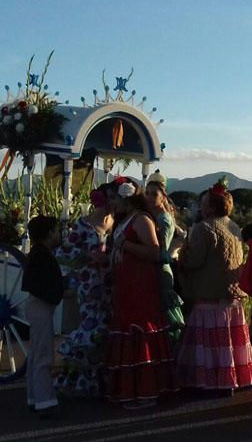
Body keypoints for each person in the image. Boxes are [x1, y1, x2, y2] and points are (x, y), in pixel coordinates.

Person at [177, 179, 252, 394]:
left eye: (203, 203)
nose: (200, 207)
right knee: (228, 344)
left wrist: (182, 254)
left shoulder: (203, 228)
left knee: (209, 344)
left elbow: (194, 260)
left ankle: (210, 381)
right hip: (232, 295)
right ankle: (229, 380)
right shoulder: (233, 225)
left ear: (211, 206)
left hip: (209, 293)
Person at [105, 180, 176, 409]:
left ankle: (145, 390)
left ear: (126, 200)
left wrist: (126, 245)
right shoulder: (126, 220)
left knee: (139, 329)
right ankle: (130, 390)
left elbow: (155, 252)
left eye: (115, 199)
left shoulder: (142, 220)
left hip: (140, 286)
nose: (112, 204)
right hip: (127, 286)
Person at [54, 185, 113, 397]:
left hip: (108, 284)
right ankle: (75, 375)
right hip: (89, 284)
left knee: (105, 330)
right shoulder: (83, 224)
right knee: (92, 327)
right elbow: (64, 252)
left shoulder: (115, 223)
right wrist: (89, 256)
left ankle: (95, 381)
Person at [22, 215, 64, 417]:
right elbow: (41, 285)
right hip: (41, 306)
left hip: (37, 305)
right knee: (43, 355)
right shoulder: (42, 256)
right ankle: (44, 401)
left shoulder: (38, 254)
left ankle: (34, 397)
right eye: (56, 230)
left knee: (36, 353)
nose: (59, 234)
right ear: (49, 234)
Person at [145, 172, 187, 344]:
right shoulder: (153, 216)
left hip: (160, 270)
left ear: (163, 197)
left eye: (154, 194)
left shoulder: (163, 220)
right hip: (154, 269)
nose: (149, 198)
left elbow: (160, 251)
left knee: (165, 318)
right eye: (147, 193)